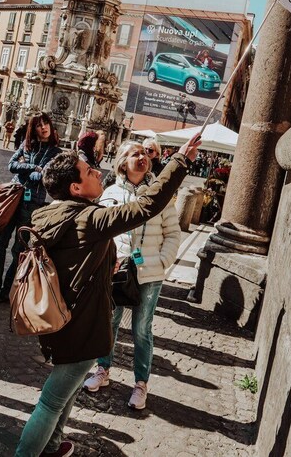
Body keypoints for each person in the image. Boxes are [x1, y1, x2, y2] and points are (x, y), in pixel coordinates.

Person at [14, 133, 201, 456]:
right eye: (88, 172)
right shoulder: (88, 220)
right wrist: (180, 160)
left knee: (68, 391)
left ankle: (52, 447)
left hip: (62, 319)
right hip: (83, 326)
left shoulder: (49, 214)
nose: (97, 172)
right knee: (51, 401)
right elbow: (146, 205)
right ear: (75, 188)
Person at [84, 141, 181, 409]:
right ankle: (102, 370)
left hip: (149, 271)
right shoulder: (111, 193)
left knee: (141, 329)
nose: (142, 157)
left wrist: (162, 261)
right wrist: (106, 261)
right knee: (109, 322)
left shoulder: (160, 194)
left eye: (145, 153)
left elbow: (173, 233)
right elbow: (101, 231)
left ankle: (141, 383)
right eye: (135, 153)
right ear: (122, 162)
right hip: (116, 270)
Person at [0, 113, 61, 302]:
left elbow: (44, 177)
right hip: (12, 199)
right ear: (34, 128)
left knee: (19, 250)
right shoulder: (26, 144)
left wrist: (27, 167)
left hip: (32, 205)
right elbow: (11, 165)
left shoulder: (55, 152)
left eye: (46, 123)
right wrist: (34, 168)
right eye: (39, 125)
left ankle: (7, 290)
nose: (44, 127)